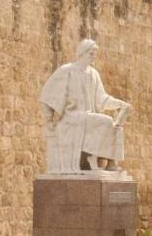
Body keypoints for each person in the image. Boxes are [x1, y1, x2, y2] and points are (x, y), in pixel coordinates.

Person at [39, 39, 132, 173]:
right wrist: (48, 121)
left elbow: (102, 99)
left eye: (95, 54)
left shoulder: (94, 74)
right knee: (105, 121)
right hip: (72, 118)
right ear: (82, 54)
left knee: (116, 126)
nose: (94, 56)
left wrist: (120, 104)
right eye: (91, 53)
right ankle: (92, 158)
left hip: (87, 117)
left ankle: (111, 163)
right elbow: (48, 95)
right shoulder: (67, 71)